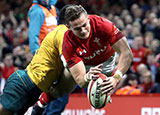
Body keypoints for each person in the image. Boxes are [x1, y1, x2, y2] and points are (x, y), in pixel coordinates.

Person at [0, 24, 77, 115]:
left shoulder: (69, 42)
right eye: (77, 27)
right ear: (69, 24)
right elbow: (70, 64)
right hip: (25, 83)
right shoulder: (63, 33)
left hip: (36, 89)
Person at [62, 5, 133, 96]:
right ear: (68, 27)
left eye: (84, 25)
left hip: (106, 62)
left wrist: (116, 78)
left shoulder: (103, 25)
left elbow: (126, 52)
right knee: (63, 88)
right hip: (83, 64)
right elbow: (81, 82)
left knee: (104, 93)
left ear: (88, 19)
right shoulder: (68, 43)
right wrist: (87, 77)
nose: (83, 31)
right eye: (77, 29)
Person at [28, 0, 69, 114]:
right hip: (46, 59)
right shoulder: (37, 11)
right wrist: (38, 58)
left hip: (57, 56)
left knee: (58, 93)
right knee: (58, 94)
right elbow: (33, 36)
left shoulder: (52, 9)